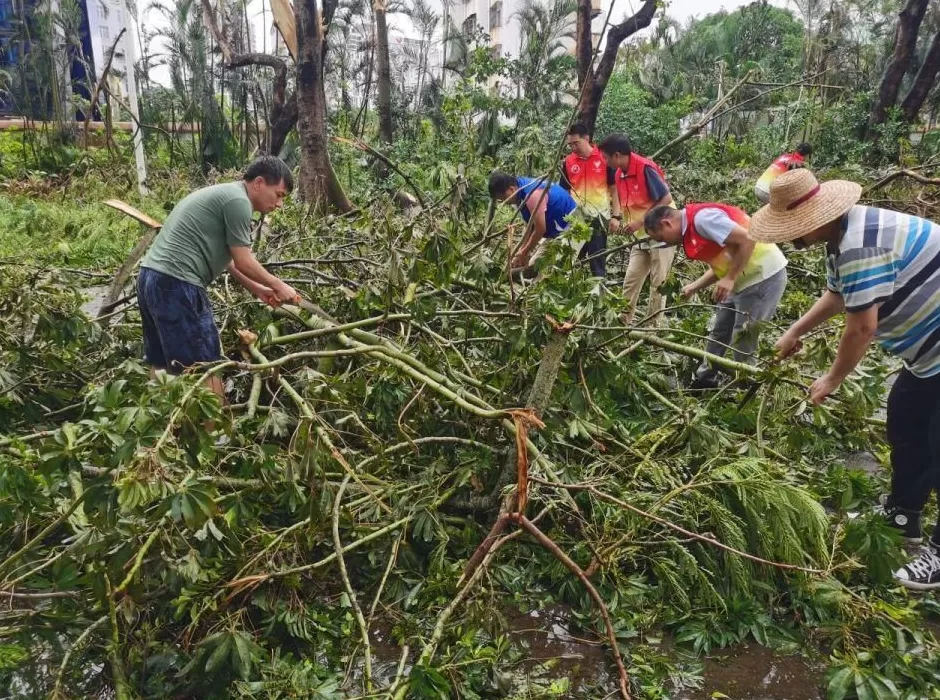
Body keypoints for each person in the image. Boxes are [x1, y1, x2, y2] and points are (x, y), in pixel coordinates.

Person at [749, 168, 940, 590]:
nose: (791, 239)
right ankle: (904, 516)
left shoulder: (859, 245)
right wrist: (796, 330)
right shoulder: (840, 239)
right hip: (927, 357)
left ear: (817, 218)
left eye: (793, 228)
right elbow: (838, 295)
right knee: (905, 426)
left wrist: (832, 379)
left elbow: (861, 328)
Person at [138, 156, 299, 399]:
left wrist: (257, 289)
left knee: (163, 361)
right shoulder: (238, 202)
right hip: (177, 284)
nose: (279, 204)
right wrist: (278, 284)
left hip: (151, 278)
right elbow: (244, 260)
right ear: (258, 183)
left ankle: (159, 422)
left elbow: (231, 261)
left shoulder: (226, 194)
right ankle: (215, 435)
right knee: (206, 367)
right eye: (278, 195)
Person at [644, 202, 788, 389]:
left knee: (743, 336)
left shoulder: (704, 220)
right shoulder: (693, 229)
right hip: (738, 281)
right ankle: (705, 380)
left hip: (762, 276)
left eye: (661, 237)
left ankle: (744, 385)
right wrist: (695, 286)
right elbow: (725, 259)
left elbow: (747, 239)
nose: (665, 242)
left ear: (667, 223)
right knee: (719, 331)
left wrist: (729, 278)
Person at [598, 133, 675, 325]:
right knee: (631, 280)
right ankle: (622, 323)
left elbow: (665, 198)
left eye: (606, 158)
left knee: (658, 283)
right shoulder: (618, 173)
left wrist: (640, 222)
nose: (605, 162)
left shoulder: (645, 168)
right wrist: (623, 221)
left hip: (662, 231)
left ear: (616, 155)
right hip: (641, 237)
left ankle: (653, 329)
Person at [560, 123, 621, 277]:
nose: (573, 147)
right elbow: (565, 192)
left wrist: (616, 216)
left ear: (586, 139)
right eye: (570, 144)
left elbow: (615, 189)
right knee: (571, 260)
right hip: (577, 218)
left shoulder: (603, 158)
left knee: (597, 262)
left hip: (599, 218)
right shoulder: (568, 162)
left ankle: (598, 294)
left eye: (576, 143)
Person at [488, 171, 578, 272]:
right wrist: (521, 251)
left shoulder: (532, 195)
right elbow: (530, 226)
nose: (505, 202)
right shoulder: (519, 189)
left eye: (504, 198)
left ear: (511, 189)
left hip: (571, 228)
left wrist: (524, 252)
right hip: (555, 230)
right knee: (533, 267)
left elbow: (540, 229)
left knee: (549, 274)